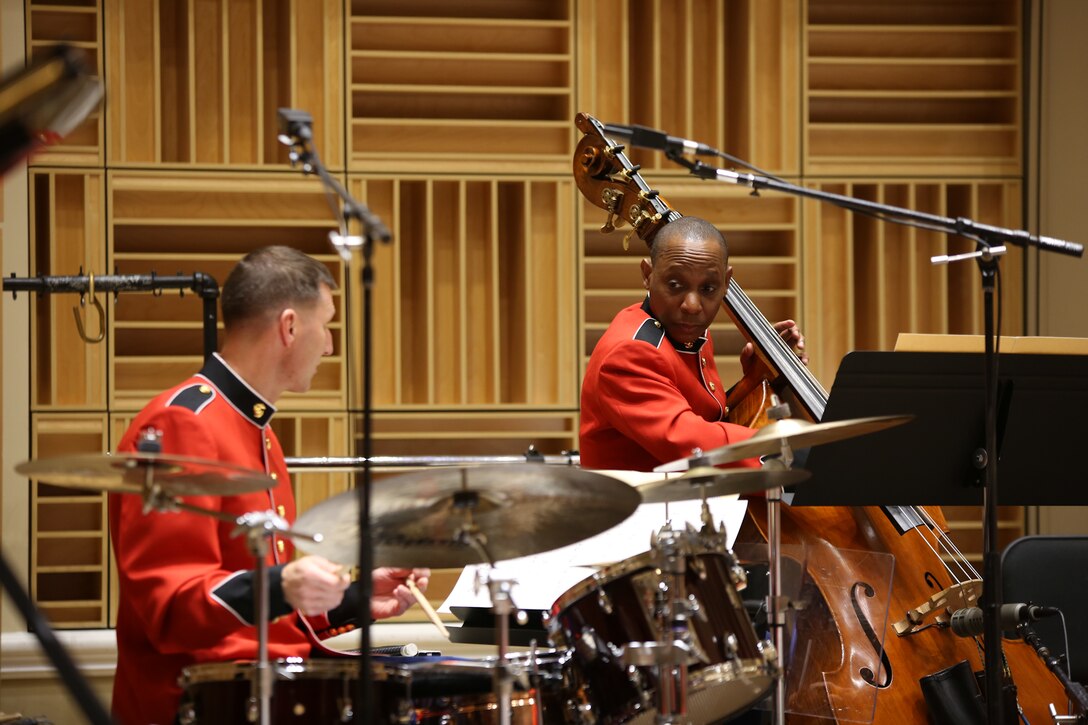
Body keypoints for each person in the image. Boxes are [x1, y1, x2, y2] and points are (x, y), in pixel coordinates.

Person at [108, 246, 429, 725]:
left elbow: (262, 605)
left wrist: (358, 597)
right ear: (290, 326)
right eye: (326, 326)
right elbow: (170, 609)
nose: (329, 346)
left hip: (259, 693)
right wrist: (284, 584)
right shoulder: (181, 423)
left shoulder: (256, 428)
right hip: (196, 704)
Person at [580, 216, 806, 471]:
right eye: (675, 285)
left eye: (708, 288)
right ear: (647, 274)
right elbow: (691, 442)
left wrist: (755, 378)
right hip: (640, 508)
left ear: (726, 282)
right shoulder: (630, 352)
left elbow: (709, 416)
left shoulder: (685, 332)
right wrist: (793, 451)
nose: (692, 305)